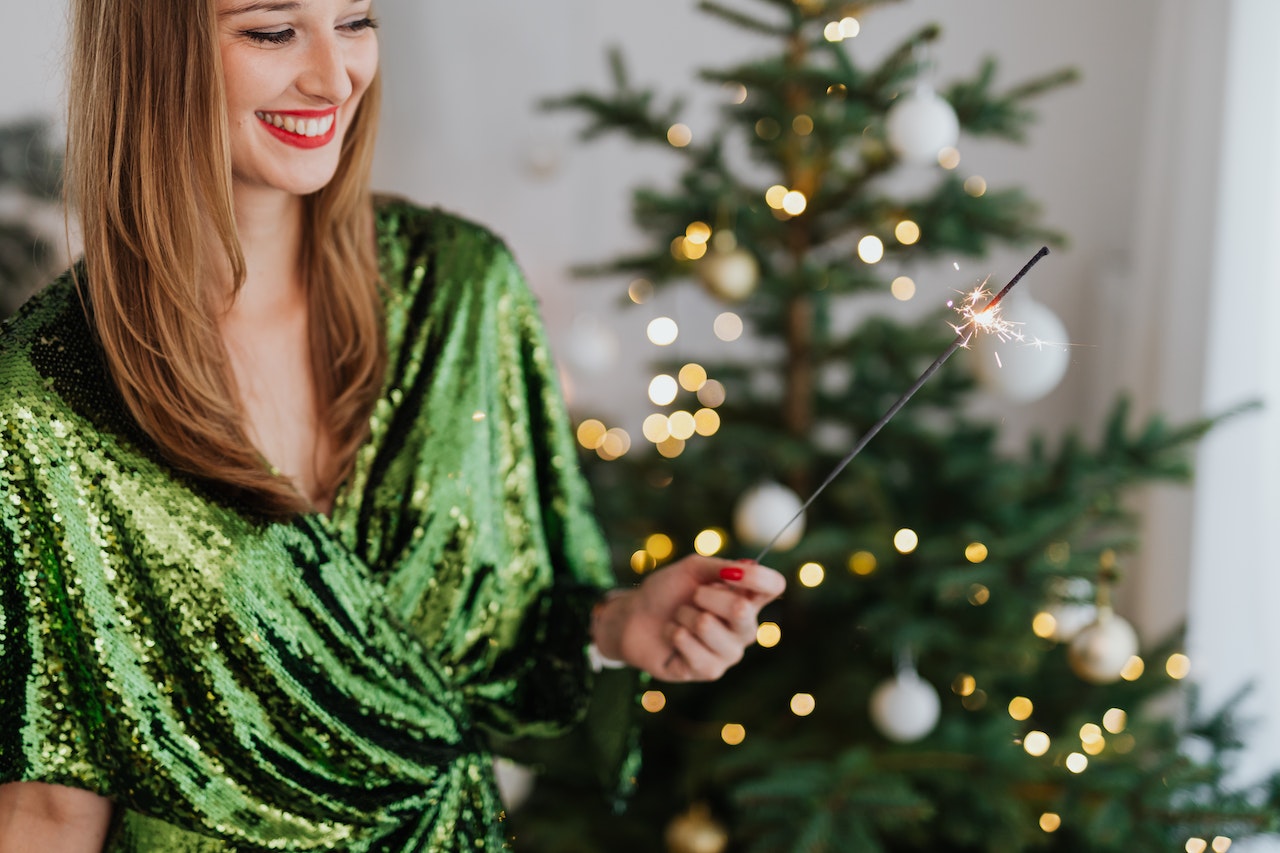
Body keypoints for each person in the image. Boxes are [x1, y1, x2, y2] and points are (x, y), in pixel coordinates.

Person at [0, 0, 786, 850]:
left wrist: (619, 624)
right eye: (272, 31)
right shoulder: (45, 397)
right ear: (154, 48)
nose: (334, 77)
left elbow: (509, 636)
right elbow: (47, 802)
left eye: (356, 21)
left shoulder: (462, 292)